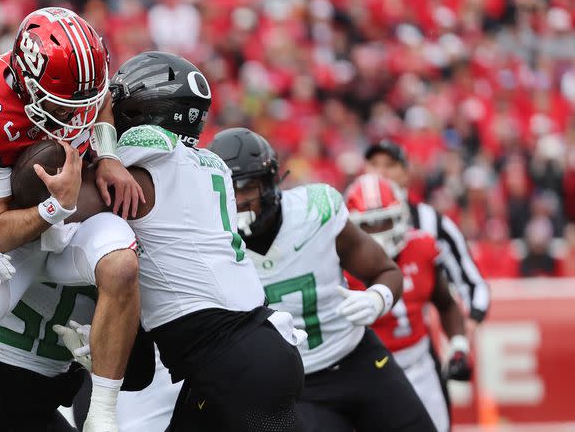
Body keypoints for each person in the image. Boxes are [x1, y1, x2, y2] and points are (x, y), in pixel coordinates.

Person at [108, 127, 435, 431]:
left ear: (270, 183)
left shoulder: (315, 211)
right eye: (228, 186)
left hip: (356, 359)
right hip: (293, 385)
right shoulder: (201, 242)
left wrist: (378, 297)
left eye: (245, 186)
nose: (236, 199)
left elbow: (386, 270)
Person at [0, 7, 142, 432]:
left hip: (74, 216)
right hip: (15, 228)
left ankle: (102, 415)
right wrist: (55, 207)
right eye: (66, 106)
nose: (78, 118)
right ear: (27, 85)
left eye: (83, 104)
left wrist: (106, 154)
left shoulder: (86, 77)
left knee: (122, 263)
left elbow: (99, 99)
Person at [105, 52, 307, 431]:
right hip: (246, 349)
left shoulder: (152, 153)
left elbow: (72, 198)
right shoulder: (205, 164)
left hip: (232, 360)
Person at [0, 209, 155, 432]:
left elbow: (140, 373)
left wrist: (102, 352)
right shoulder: (19, 204)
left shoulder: (118, 247)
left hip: (36, 408)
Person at [344, 173, 474, 432]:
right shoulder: (338, 263)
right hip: (368, 370)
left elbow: (445, 303)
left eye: (384, 222)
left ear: (401, 216)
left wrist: (458, 344)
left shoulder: (423, 246)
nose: (378, 233)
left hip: (420, 364)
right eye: (368, 225)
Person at [363, 140, 490, 322]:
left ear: (406, 173)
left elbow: (472, 282)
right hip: (365, 337)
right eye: (373, 164)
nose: (380, 172)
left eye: (389, 165)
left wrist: (470, 320)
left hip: (419, 334)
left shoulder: (431, 221)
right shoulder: (344, 219)